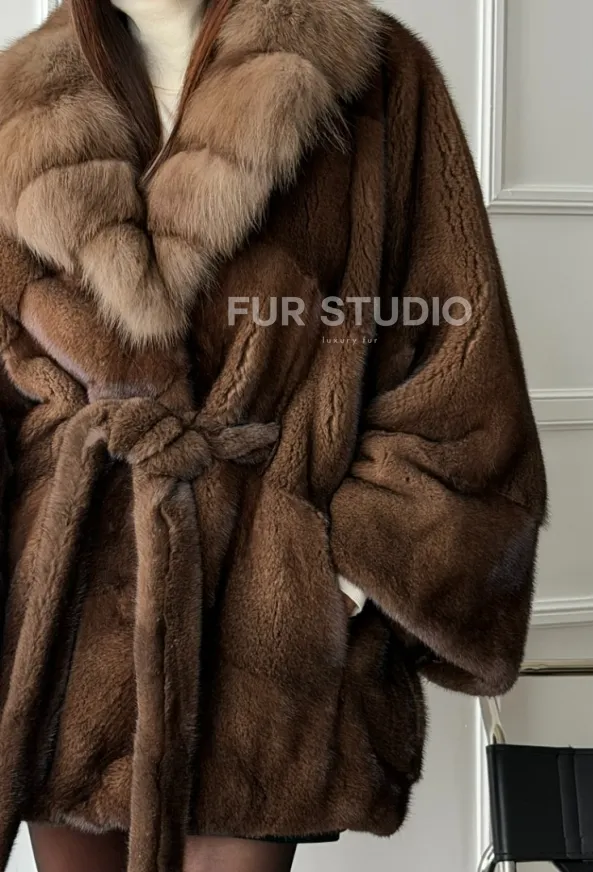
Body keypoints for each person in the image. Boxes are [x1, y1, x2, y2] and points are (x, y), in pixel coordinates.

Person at [0, 0, 547, 870]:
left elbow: (457, 356)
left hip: (268, 626)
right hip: (69, 625)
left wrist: (342, 568)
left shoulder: (370, 73)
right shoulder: (16, 102)